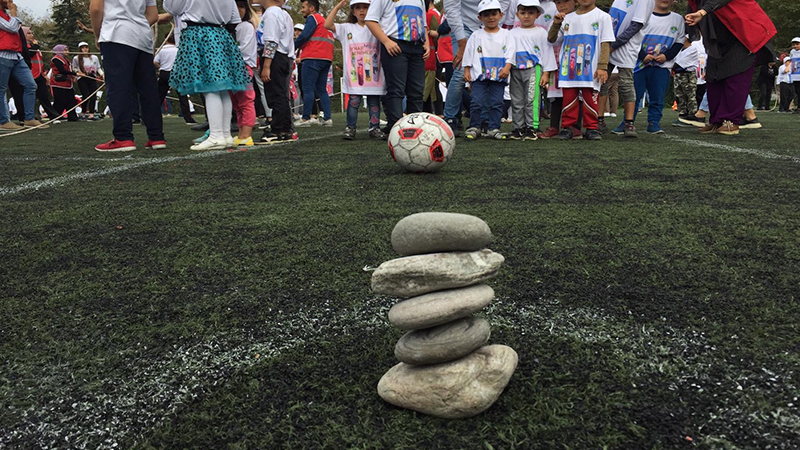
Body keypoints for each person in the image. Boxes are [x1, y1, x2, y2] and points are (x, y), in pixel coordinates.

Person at [163, 0, 250, 150]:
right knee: (222, 88)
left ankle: (216, 136)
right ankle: (225, 134)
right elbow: (234, 18)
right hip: (221, 35)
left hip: (199, 34)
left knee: (209, 86)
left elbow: (172, 7)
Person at [684, 0, 776, 135]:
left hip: (743, 35)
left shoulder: (705, 7)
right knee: (713, 77)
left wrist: (702, 11)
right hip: (718, 39)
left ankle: (730, 121)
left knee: (736, 77)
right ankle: (717, 120)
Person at [90, 0, 166, 152]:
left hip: (116, 33)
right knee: (148, 89)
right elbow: (153, 15)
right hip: (142, 37)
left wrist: (97, 33)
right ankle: (156, 136)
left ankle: (123, 137)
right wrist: (137, 23)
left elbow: (96, 8)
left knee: (118, 87)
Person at [547, 0, 613, 140]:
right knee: (568, 99)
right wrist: (556, 23)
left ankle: (592, 128)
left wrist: (602, 66)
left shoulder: (602, 17)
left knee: (590, 99)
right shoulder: (568, 18)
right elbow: (552, 39)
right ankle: (567, 127)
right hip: (569, 69)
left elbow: (605, 43)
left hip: (591, 69)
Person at [442, 0, 510, 136]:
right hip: (464, 24)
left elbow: (503, 2)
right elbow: (451, 8)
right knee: (461, 71)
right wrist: (462, 43)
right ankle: (450, 118)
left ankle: (484, 120)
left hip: (489, 23)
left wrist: (492, 29)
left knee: (487, 72)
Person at [325, 0, 386, 140]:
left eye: (365, 7)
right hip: (355, 76)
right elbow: (327, 24)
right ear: (353, 11)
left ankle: (374, 128)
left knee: (374, 102)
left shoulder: (377, 27)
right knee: (353, 102)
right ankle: (350, 127)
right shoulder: (346, 28)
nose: (362, 11)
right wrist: (337, 7)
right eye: (358, 8)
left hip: (374, 75)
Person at [365, 0, 430, 132]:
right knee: (396, 89)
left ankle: (415, 128)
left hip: (417, 47)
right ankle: (395, 128)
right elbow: (371, 21)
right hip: (395, 45)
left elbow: (423, 24)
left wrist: (426, 43)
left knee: (417, 91)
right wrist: (386, 41)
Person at [597, 0, 655, 138]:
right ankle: (599, 120)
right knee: (601, 82)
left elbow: (636, 25)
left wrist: (614, 45)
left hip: (626, 47)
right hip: (608, 43)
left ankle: (629, 123)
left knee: (626, 84)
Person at [462, 0, 515, 140]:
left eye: (494, 14)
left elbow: (511, 52)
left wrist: (508, 67)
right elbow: (468, 53)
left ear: (501, 15)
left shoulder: (506, 34)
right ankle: (474, 126)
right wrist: (467, 70)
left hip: (499, 75)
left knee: (497, 102)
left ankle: (494, 128)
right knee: (477, 101)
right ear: (480, 17)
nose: (491, 17)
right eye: (486, 15)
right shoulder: (476, 35)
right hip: (479, 76)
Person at [631, 0, 684, 134]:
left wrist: (666, 56)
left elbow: (679, 42)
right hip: (638, 65)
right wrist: (642, 55)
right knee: (633, 96)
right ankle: (628, 122)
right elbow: (632, 39)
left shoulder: (678, 19)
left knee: (657, 96)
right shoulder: (641, 16)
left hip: (662, 66)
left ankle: (654, 122)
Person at [508, 0, 555, 140]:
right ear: (517, 14)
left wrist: (546, 73)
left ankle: (532, 127)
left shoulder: (541, 32)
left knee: (531, 99)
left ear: (537, 14)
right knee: (516, 99)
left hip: (534, 69)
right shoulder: (512, 33)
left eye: (530, 13)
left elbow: (547, 52)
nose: (526, 16)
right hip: (515, 70)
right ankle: (518, 127)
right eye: (523, 13)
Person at [0, 0, 45, 131]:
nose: (10, 1)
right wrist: (14, 13)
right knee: (1, 89)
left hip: (16, 55)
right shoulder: (9, 17)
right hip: (3, 54)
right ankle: (3, 121)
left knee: (31, 85)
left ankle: (29, 118)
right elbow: (12, 27)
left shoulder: (8, 16)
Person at [256, 0, 296, 142]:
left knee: (275, 94)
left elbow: (271, 42)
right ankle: (285, 128)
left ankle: (276, 130)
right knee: (281, 94)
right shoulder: (281, 13)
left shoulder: (272, 13)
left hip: (275, 58)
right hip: (282, 57)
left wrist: (266, 65)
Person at [294, 0, 335, 127]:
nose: (302, 10)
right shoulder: (324, 21)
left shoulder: (313, 18)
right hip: (326, 58)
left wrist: (292, 47)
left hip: (312, 56)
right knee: (322, 89)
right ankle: (327, 118)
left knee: (308, 88)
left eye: (303, 7)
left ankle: (306, 118)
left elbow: (304, 36)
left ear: (312, 8)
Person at [539, 0, 575, 139]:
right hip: (558, 63)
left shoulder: (578, 18)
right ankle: (554, 126)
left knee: (575, 96)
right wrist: (556, 24)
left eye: (566, 1)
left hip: (574, 63)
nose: (562, 5)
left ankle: (574, 127)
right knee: (556, 97)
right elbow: (551, 40)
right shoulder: (556, 19)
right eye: (558, 2)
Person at [229, 0, 259, 147]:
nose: (238, 10)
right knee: (236, 103)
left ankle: (246, 134)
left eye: (241, 7)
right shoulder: (230, 27)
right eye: (235, 7)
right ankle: (241, 133)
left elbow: (244, 50)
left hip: (243, 67)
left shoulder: (246, 26)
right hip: (231, 68)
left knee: (246, 101)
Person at [153, 33, 196, 124]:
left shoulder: (162, 50)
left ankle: (151, 118)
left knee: (159, 96)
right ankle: (188, 119)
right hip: (177, 73)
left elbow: (155, 62)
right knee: (182, 97)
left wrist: (161, 67)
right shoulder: (178, 49)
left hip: (164, 73)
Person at [22, 27, 60, 121]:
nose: (31, 35)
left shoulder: (36, 48)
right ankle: (29, 116)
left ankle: (53, 116)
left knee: (44, 96)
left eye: (32, 33)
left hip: (39, 75)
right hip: (29, 75)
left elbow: (40, 63)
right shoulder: (24, 46)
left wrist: (44, 74)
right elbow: (29, 54)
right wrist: (35, 46)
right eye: (28, 33)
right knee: (30, 96)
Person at [72, 42, 103, 120]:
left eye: (86, 47)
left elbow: (98, 67)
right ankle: (83, 112)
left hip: (92, 77)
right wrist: (79, 73)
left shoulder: (94, 57)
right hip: (82, 78)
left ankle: (92, 113)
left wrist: (102, 74)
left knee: (93, 96)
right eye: (83, 48)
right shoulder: (76, 58)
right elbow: (74, 68)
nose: (85, 49)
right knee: (85, 95)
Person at [49, 44, 80, 123]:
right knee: (60, 101)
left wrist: (73, 76)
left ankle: (72, 116)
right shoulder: (56, 59)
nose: (67, 52)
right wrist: (74, 74)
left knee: (71, 100)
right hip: (58, 83)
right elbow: (61, 70)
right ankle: (55, 116)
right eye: (65, 50)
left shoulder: (66, 59)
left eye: (67, 50)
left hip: (67, 83)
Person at [672, 35, 699, 123]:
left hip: (688, 74)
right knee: (679, 95)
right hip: (678, 74)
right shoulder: (680, 49)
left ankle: (692, 115)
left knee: (690, 95)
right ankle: (682, 114)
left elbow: (679, 63)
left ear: (686, 38)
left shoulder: (693, 49)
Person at [423, 0, 442, 115]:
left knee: (431, 86)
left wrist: (429, 32)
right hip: (429, 56)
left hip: (431, 57)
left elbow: (438, 35)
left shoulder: (431, 14)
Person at [790, 37, 800, 112]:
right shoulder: (792, 52)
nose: (795, 46)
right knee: (797, 91)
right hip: (795, 75)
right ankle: (798, 107)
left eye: (797, 44)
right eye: (793, 44)